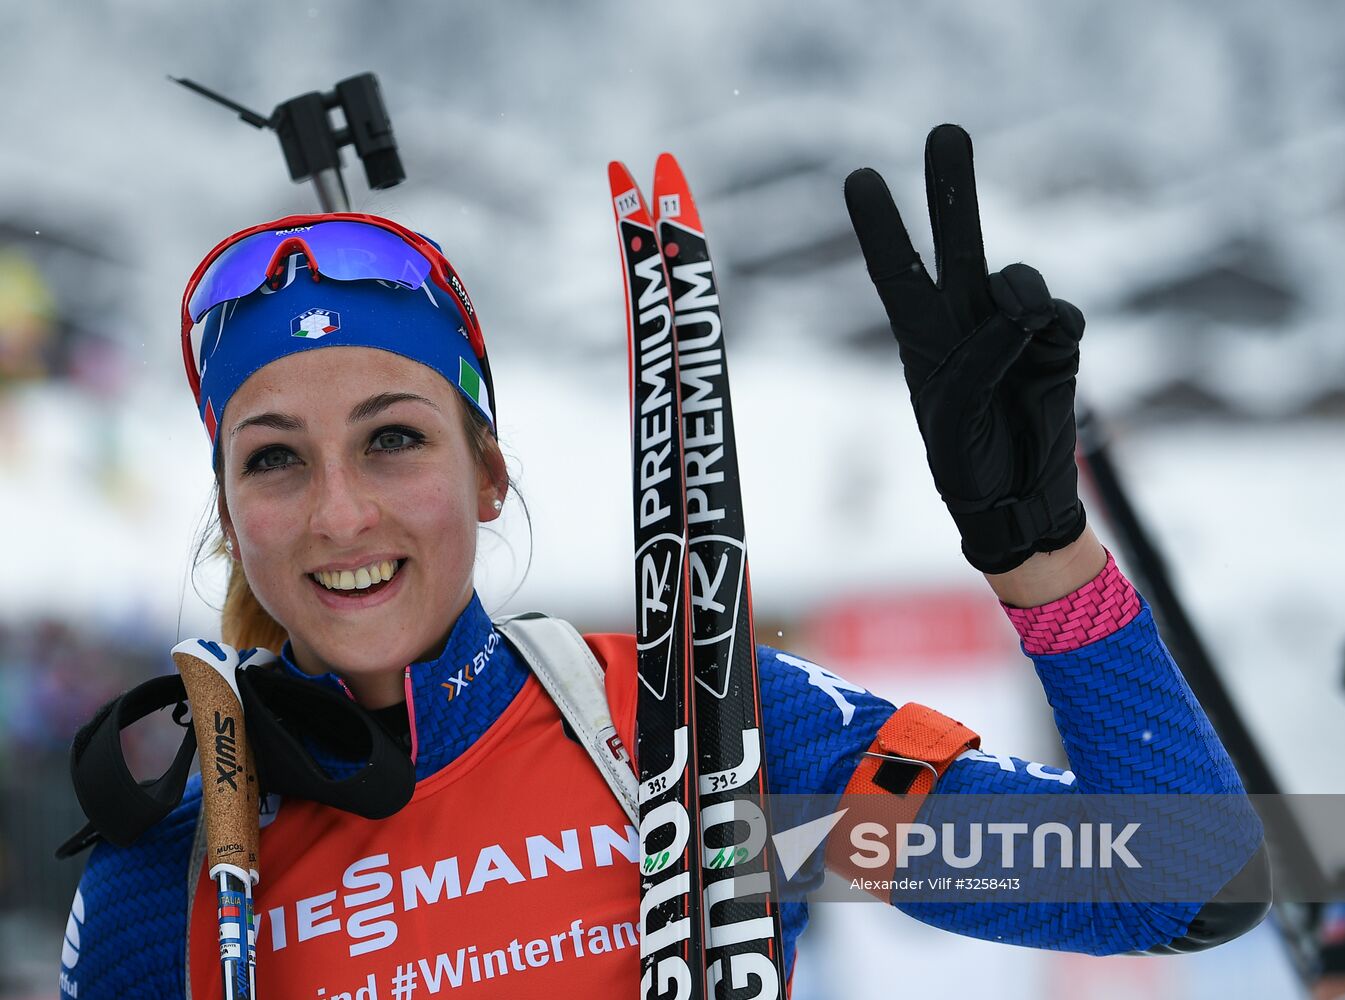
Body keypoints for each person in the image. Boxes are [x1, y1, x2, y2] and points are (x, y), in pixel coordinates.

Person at [61, 125, 1269, 998]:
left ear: (489, 474)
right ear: (225, 510)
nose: (339, 512)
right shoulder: (170, 865)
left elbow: (1173, 879)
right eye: (274, 461)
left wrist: (1040, 552)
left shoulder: (690, 729)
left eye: (393, 439)